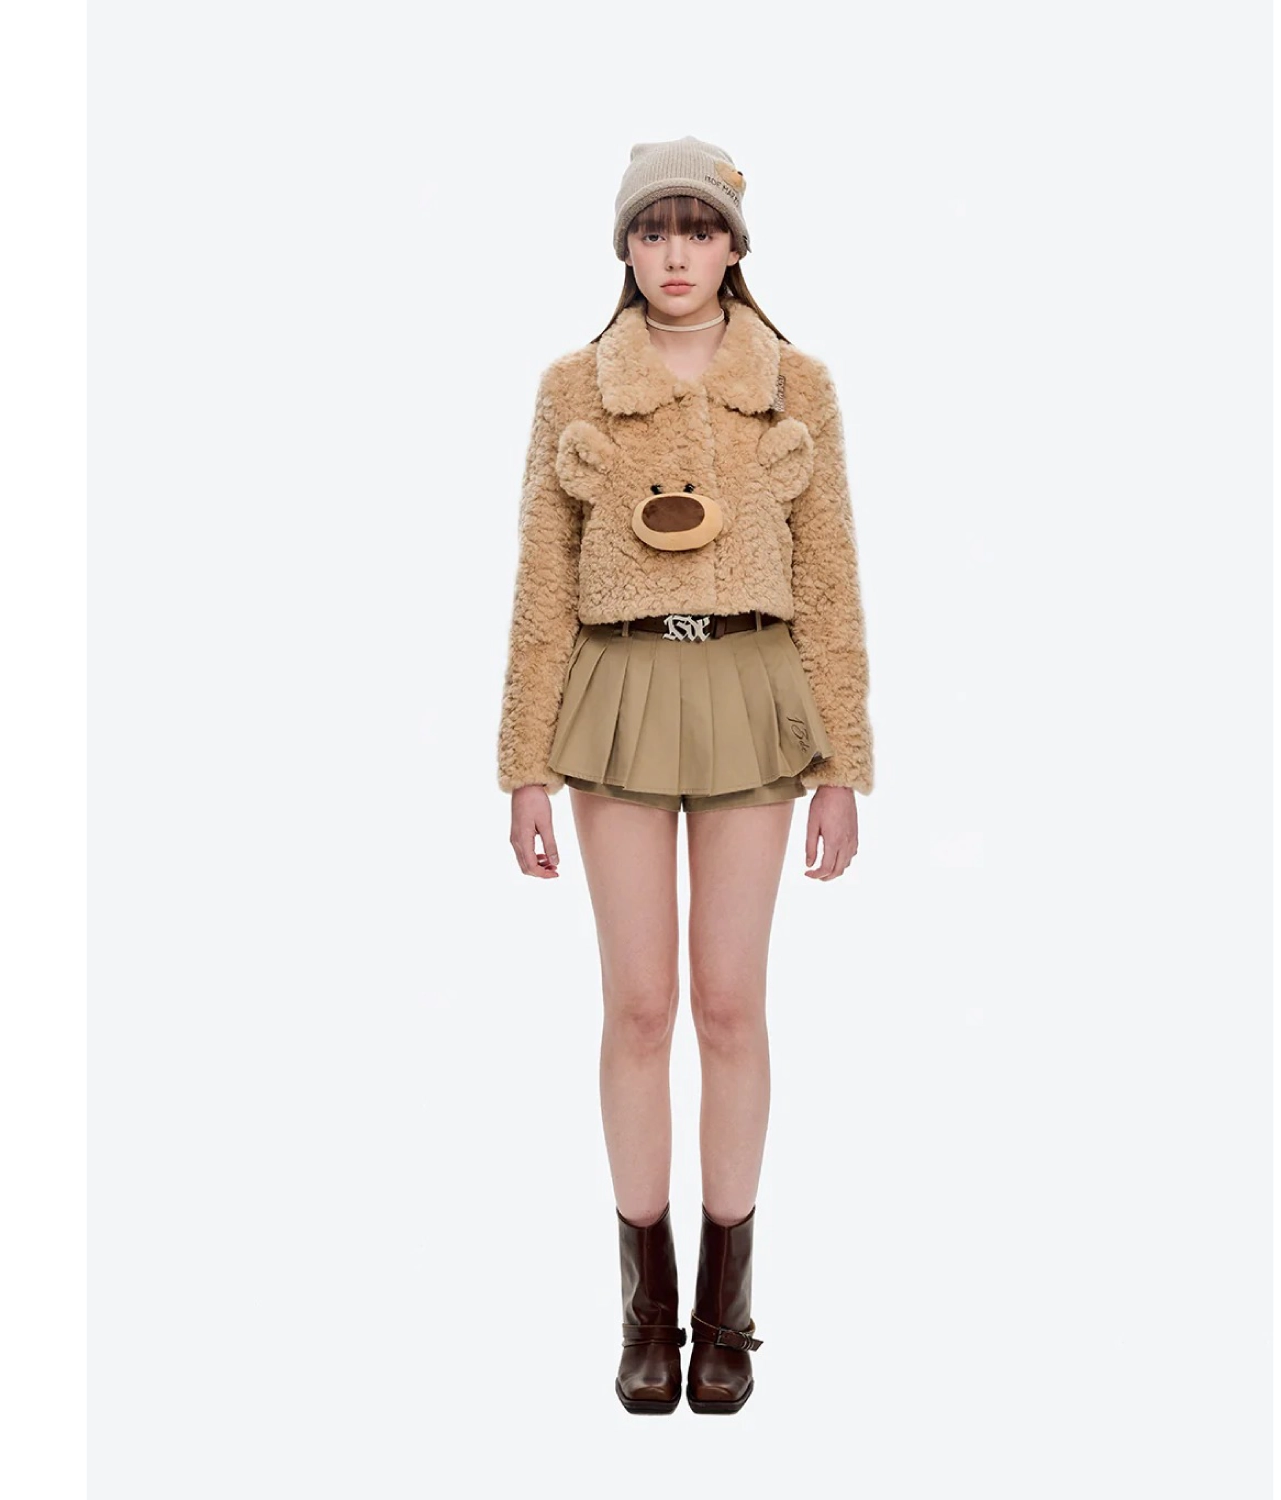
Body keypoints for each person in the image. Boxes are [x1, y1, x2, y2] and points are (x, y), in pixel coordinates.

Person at [495, 135, 875, 1415]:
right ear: (624, 246)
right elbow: (542, 585)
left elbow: (830, 583)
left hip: (755, 692)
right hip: (615, 693)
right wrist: (524, 767)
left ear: (733, 248)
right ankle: (644, 1308)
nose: (675, 254)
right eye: (653, 231)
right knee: (640, 1007)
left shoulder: (798, 387)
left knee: (729, 1006)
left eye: (698, 230)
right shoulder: (573, 387)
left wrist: (843, 764)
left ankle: (728, 1309)